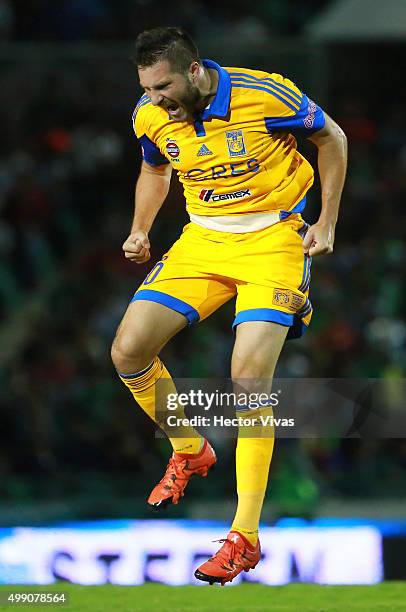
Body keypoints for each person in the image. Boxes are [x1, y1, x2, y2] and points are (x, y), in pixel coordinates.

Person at [111, 26, 347, 585]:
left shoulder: (264, 94)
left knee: (246, 379)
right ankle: (189, 448)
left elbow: (331, 137)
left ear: (193, 71)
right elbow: (154, 168)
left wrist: (328, 220)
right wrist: (141, 228)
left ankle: (244, 536)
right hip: (203, 238)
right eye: (146, 87)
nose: (154, 98)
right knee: (127, 351)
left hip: (274, 238)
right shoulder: (151, 115)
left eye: (162, 85)